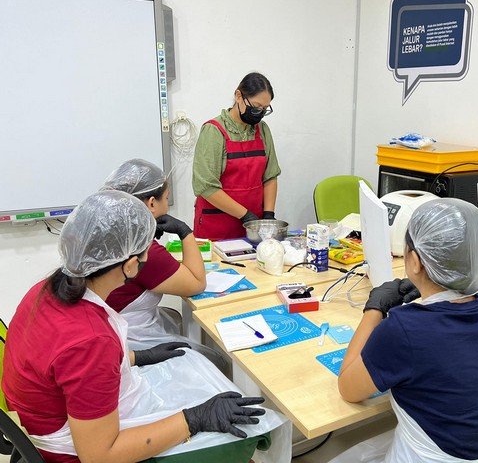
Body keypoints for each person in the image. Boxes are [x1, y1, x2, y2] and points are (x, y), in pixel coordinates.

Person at [2, 191, 290, 463]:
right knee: (248, 432)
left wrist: (138, 357)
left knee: (193, 367)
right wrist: (193, 419)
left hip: (51, 421)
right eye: (145, 252)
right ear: (130, 265)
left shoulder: (46, 290)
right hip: (74, 452)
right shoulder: (90, 340)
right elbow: (100, 456)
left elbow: (64, 369)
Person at [335, 198, 478, 463]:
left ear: (415, 262)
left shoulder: (404, 329)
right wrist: (427, 292)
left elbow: (348, 388)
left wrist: (374, 309)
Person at [102, 158, 229, 374]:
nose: (167, 204)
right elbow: (197, 283)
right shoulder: (144, 251)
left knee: (174, 319)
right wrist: (185, 232)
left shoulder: (109, 232)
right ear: (152, 203)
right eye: (167, 198)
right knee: (216, 361)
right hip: (128, 341)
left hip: (112, 329)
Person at [192, 72, 280, 241]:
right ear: (238, 96)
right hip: (217, 224)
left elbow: (270, 176)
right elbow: (206, 187)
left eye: (264, 109)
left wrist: (268, 215)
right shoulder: (214, 131)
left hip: (254, 225)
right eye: (256, 106)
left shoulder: (262, 130)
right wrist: (245, 215)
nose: (259, 113)